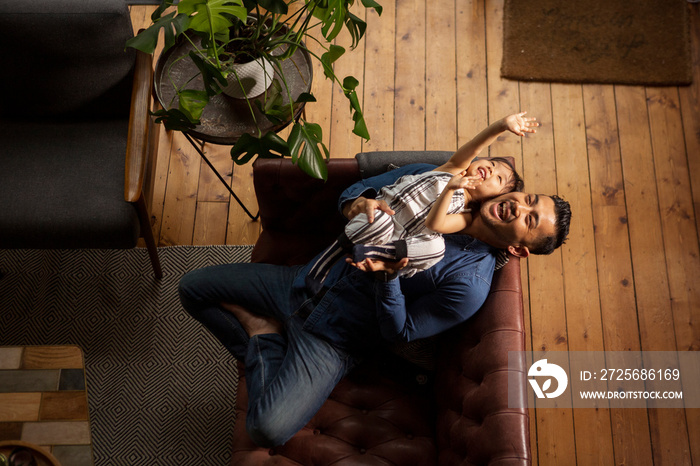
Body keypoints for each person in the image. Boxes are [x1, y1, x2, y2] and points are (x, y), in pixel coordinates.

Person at [178, 145, 571, 449]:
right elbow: (353, 192)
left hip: (332, 339)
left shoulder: (469, 285)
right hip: (302, 281)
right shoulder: (443, 181)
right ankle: (266, 333)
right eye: (529, 199)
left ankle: (262, 335)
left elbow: (400, 332)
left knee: (266, 430)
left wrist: (390, 278)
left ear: (520, 249)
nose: (519, 207)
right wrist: (356, 204)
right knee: (192, 289)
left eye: (530, 220)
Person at [305, 112, 534, 293]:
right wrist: (502, 125)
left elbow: (436, 225)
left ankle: (375, 252)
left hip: (393, 241)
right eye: (492, 164)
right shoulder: (452, 168)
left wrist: (452, 190)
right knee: (380, 217)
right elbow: (475, 146)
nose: (490, 170)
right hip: (382, 215)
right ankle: (329, 259)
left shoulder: (465, 215)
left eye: (498, 179)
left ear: (493, 198)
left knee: (437, 248)